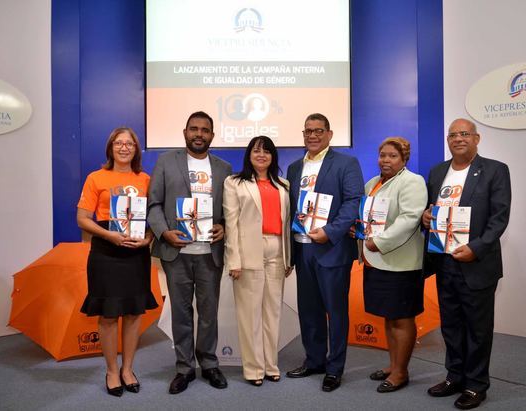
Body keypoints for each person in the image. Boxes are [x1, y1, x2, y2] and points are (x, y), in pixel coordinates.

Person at [423, 119, 511, 409]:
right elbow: (431, 212)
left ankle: (476, 385)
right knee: (451, 325)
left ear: (477, 138)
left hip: (476, 263)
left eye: (464, 134)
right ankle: (455, 376)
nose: (458, 139)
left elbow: (499, 218)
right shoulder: (437, 172)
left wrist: (476, 248)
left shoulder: (495, 170)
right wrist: (426, 218)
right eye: (453, 135)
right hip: (444, 261)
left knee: (478, 328)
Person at [147, 111, 232, 394]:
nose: (199, 134)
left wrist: (223, 227)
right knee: (181, 312)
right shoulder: (165, 161)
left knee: (208, 313)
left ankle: (209, 363)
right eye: (194, 129)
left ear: (212, 135)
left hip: (210, 252)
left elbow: (231, 210)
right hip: (178, 251)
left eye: (205, 130)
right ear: (185, 132)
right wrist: (163, 232)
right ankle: (184, 367)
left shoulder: (224, 167)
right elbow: (153, 204)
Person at [285, 113, 364, 392]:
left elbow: (354, 202)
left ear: (329, 134)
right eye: (308, 131)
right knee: (308, 311)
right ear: (303, 134)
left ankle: (334, 367)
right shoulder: (294, 168)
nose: (313, 136)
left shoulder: (346, 163)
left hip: (331, 249)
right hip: (302, 248)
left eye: (319, 131)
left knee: (336, 311)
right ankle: (314, 360)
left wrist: (330, 231)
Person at [77, 127, 158, 397]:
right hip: (106, 252)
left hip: (136, 253)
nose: (124, 148)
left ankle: (128, 369)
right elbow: (83, 218)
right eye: (118, 143)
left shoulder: (146, 179)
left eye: (130, 144)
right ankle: (112, 370)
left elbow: (155, 217)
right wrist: (108, 235)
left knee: (134, 313)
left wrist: (148, 239)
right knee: (109, 315)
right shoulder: (95, 178)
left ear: (136, 149)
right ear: (110, 148)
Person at [222, 136, 293, 386]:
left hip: (277, 250)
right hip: (248, 251)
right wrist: (234, 260)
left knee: (272, 313)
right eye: (256, 151)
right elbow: (231, 223)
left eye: (267, 151)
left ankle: (270, 365)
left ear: (273, 156)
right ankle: (253, 369)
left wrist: (288, 257)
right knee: (249, 314)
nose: (261, 155)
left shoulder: (283, 184)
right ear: (249, 155)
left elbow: (286, 224)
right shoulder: (234, 183)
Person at [358, 137, 427, 393]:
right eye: (382, 155)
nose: (385, 160)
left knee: (402, 319)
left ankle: (401, 372)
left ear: (404, 159)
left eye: (392, 156)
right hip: (375, 261)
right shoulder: (373, 184)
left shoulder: (412, 182)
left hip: (401, 264)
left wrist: (380, 241)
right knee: (389, 317)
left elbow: (410, 219)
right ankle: (393, 364)